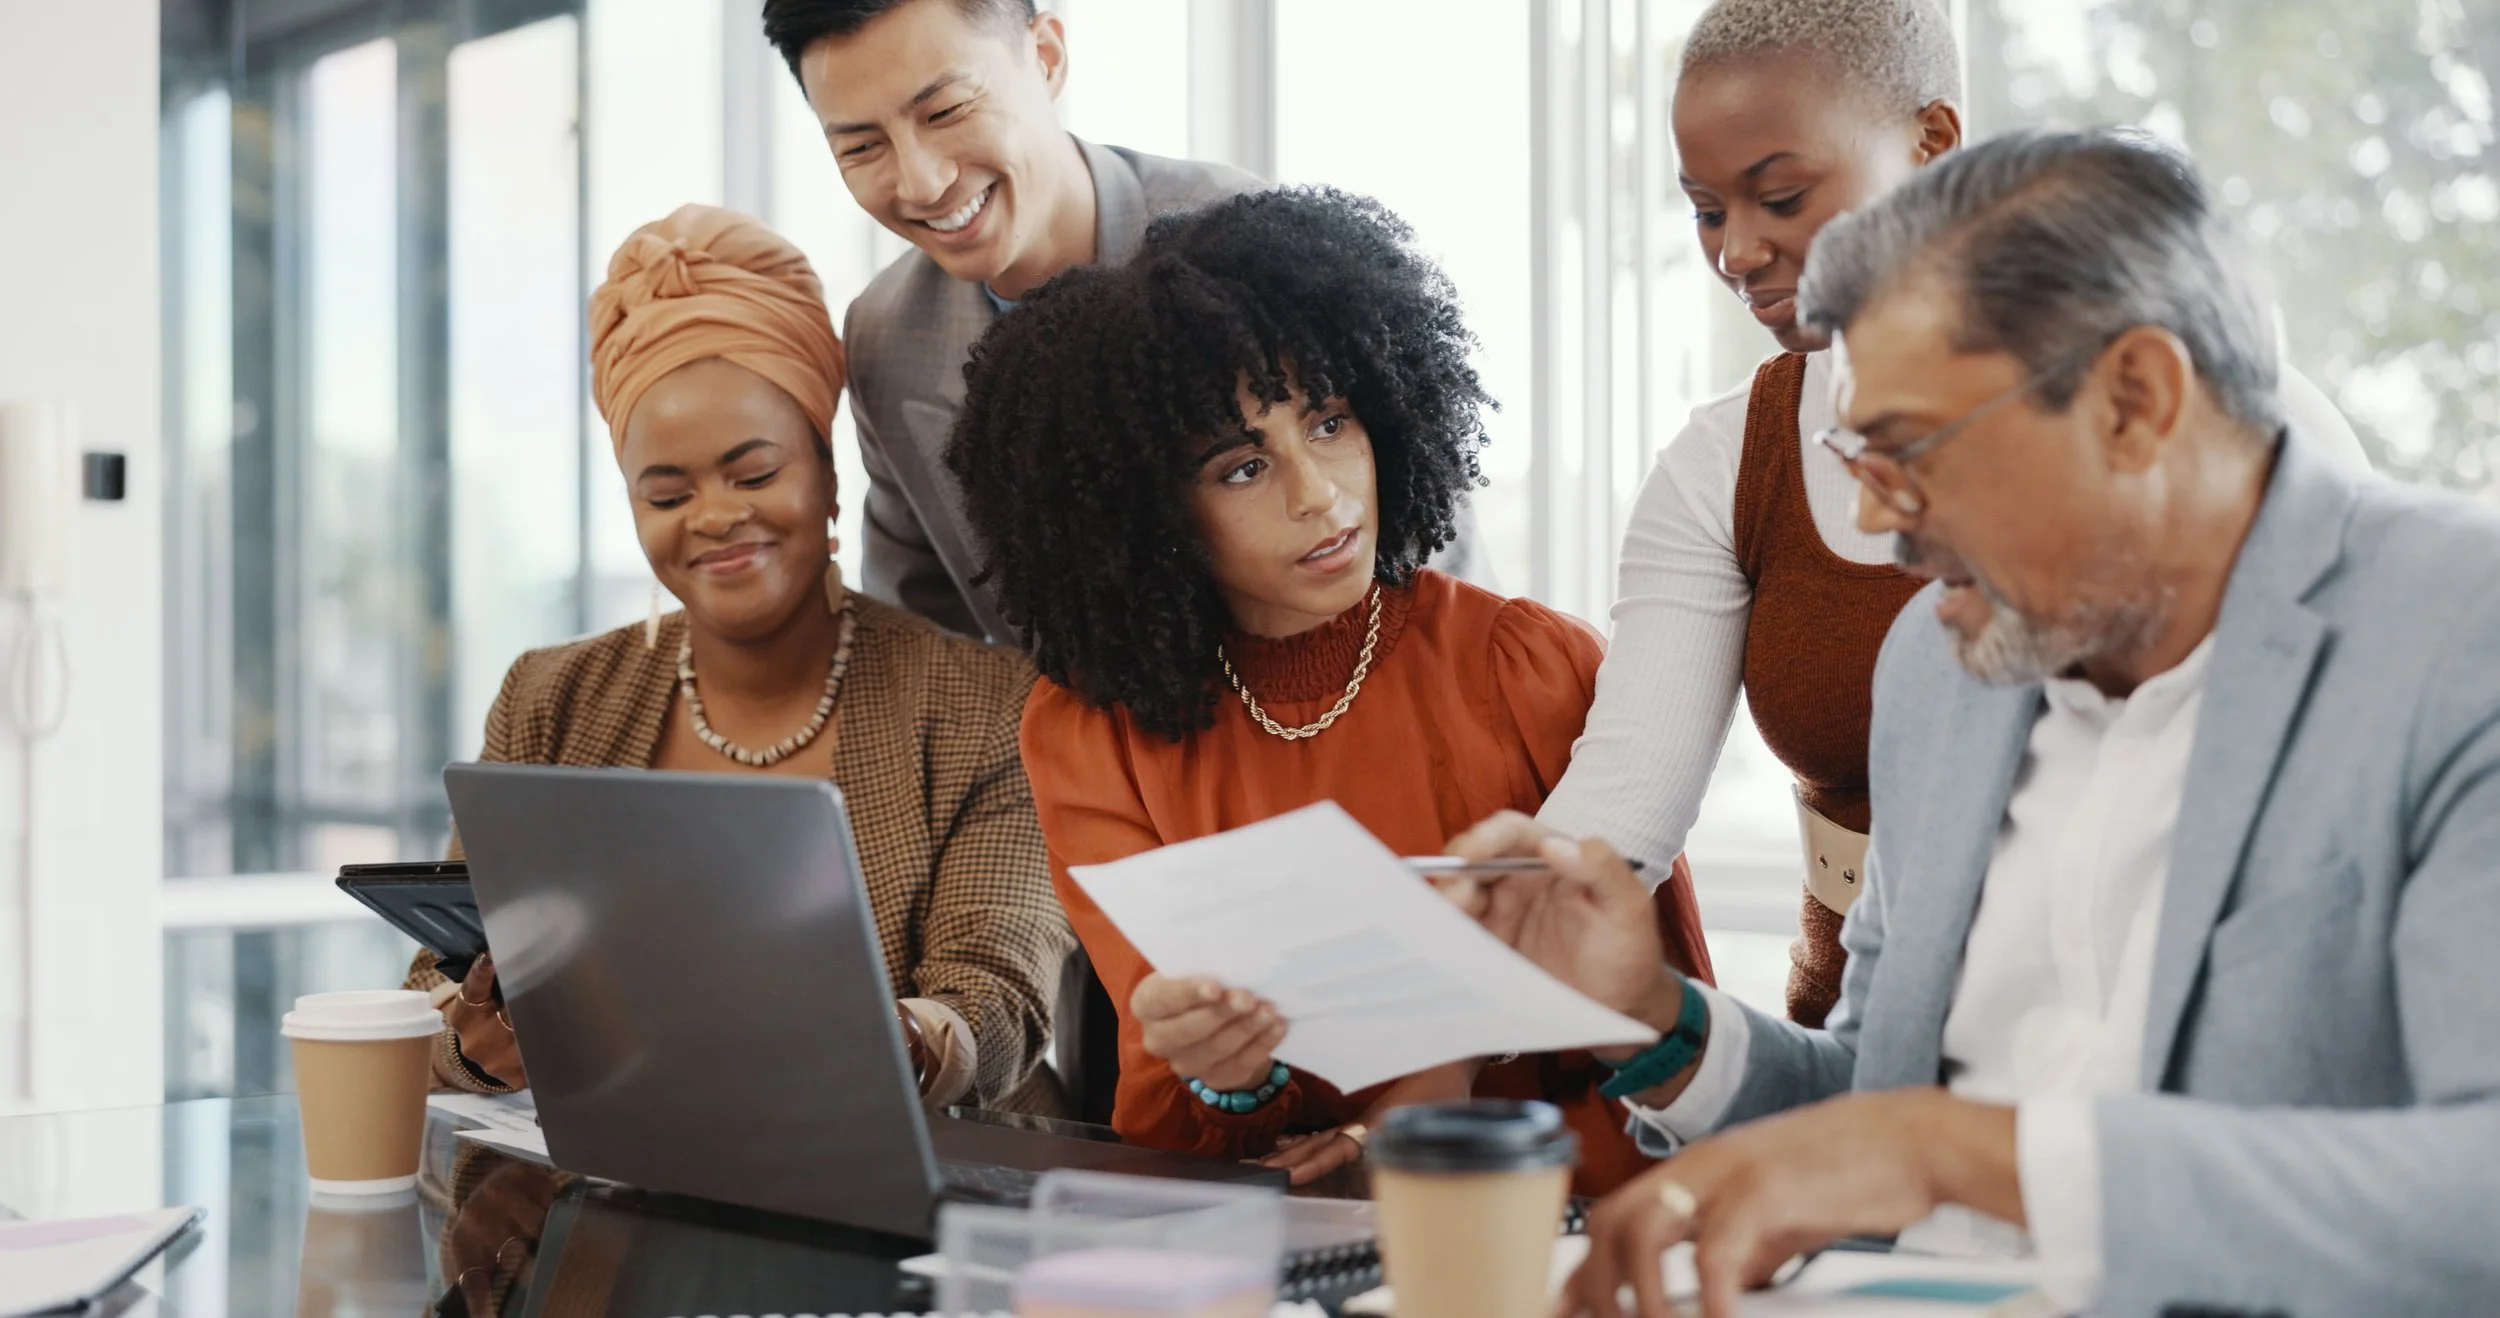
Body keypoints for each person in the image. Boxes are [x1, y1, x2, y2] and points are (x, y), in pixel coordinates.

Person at [1443, 129, 2500, 1318]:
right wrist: (1656, 1016)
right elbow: (1870, 1110)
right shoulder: (1942, 672)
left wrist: (1961, 1152)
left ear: (2133, 402)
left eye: (1908, 455)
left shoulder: (2459, 639)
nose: (1882, 530)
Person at [1535, 0, 2371, 1027]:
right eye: (1706, 210)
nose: (1736, 252)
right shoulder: (1757, 492)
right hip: (1874, 1027)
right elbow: (1613, 819)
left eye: (1782, 195)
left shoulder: (2255, 441)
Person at [942, 186, 1714, 1196]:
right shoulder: (1089, 733)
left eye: (1330, 421)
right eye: (1244, 466)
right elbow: (1179, 1111)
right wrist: (1229, 1078)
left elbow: (1660, 1030)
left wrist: (1392, 1128)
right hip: (1279, 1240)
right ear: (1143, 515)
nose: (1321, 494)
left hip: (1552, 1223)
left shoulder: (1531, 666)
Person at [407, 204, 1072, 1115]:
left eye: (754, 474)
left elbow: (999, 994)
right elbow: (433, 995)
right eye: (668, 493)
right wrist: (476, 1048)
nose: (716, 517)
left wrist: (900, 1040)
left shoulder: (985, 705)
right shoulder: (551, 699)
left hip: (921, 1206)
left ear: (828, 474)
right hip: (631, 1201)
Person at [759, 0, 1479, 644]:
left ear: (1046, 58)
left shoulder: (1250, 250)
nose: (920, 181)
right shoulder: (886, 337)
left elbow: (1431, 555)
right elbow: (927, 641)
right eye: (861, 147)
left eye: (944, 112)